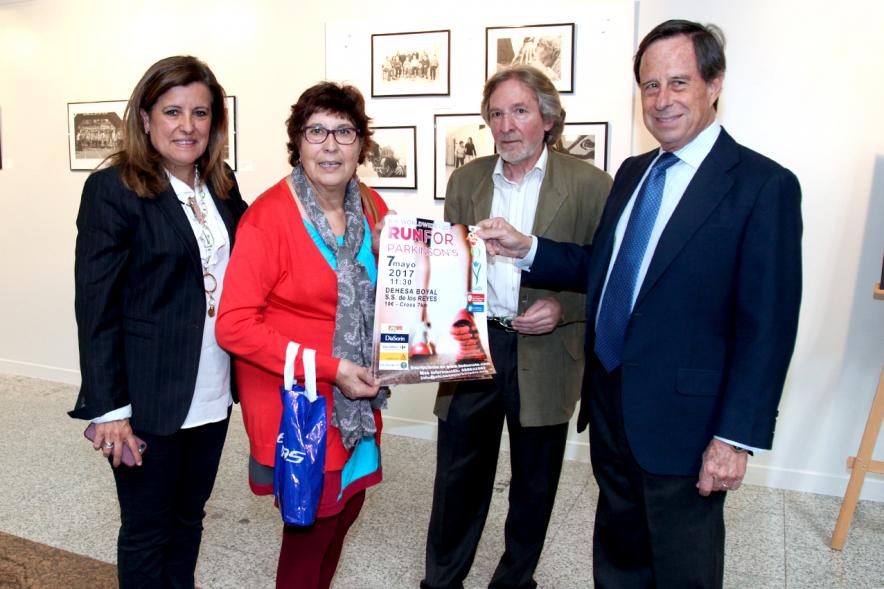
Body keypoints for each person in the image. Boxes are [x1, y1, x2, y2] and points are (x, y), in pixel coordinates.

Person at [478, 20, 802, 588]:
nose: (662, 100)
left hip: (687, 423)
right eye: (650, 86)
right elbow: (604, 272)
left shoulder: (761, 185)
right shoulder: (633, 173)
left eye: (678, 83)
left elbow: (767, 327)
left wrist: (734, 438)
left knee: (682, 565)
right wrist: (528, 248)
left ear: (714, 83)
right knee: (620, 556)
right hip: (610, 404)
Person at [422, 64, 612, 589]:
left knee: (534, 483)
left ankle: (513, 581)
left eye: (520, 111)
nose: (506, 125)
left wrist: (563, 309)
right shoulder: (466, 180)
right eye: (496, 114)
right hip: (472, 347)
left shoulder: (592, 185)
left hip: (548, 353)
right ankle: (440, 581)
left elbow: (608, 273)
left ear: (547, 118)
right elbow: (449, 267)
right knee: (457, 477)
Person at [70, 55, 247, 588]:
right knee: (147, 529)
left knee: (189, 519)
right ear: (145, 118)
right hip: (146, 399)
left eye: (200, 113)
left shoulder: (220, 184)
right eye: (172, 111)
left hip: (213, 388)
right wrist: (110, 409)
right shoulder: (113, 190)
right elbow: (95, 308)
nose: (187, 126)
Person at [215, 82, 388, 589]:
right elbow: (234, 325)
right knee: (311, 526)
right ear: (298, 142)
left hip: (355, 401)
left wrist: (397, 252)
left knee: (346, 510)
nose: (330, 145)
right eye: (316, 131)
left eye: (344, 131)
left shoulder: (373, 208)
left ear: (361, 144)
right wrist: (332, 369)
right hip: (300, 405)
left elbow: (399, 296)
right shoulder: (268, 218)